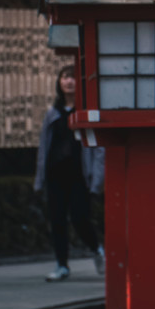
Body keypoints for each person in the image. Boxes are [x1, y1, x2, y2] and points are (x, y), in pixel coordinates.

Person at [34, 65, 105, 281]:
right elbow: (44, 147)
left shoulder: (86, 113)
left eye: (73, 77)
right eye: (64, 77)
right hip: (56, 174)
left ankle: (97, 250)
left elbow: (98, 148)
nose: (69, 81)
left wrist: (97, 179)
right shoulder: (53, 113)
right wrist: (39, 178)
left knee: (80, 217)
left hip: (79, 175)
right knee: (57, 220)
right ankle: (61, 264)